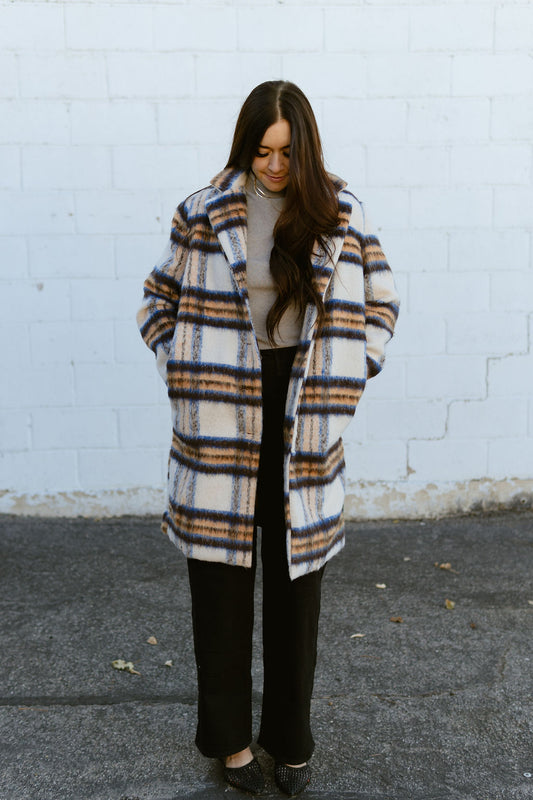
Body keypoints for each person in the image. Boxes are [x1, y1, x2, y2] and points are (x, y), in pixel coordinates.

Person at [137, 80, 399, 796]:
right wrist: (182, 373)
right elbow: (156, 300)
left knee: (296, 589)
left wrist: (353, 369)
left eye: (286, 152)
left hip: (302, 401)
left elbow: (382, 303)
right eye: (261, 151)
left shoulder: (341, 212)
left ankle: (289, 739)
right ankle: (228, 745)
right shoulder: (203, 210)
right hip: (219, 407)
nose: (274, 166)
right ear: (244, 146)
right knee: (219, 587)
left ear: (305, 146)